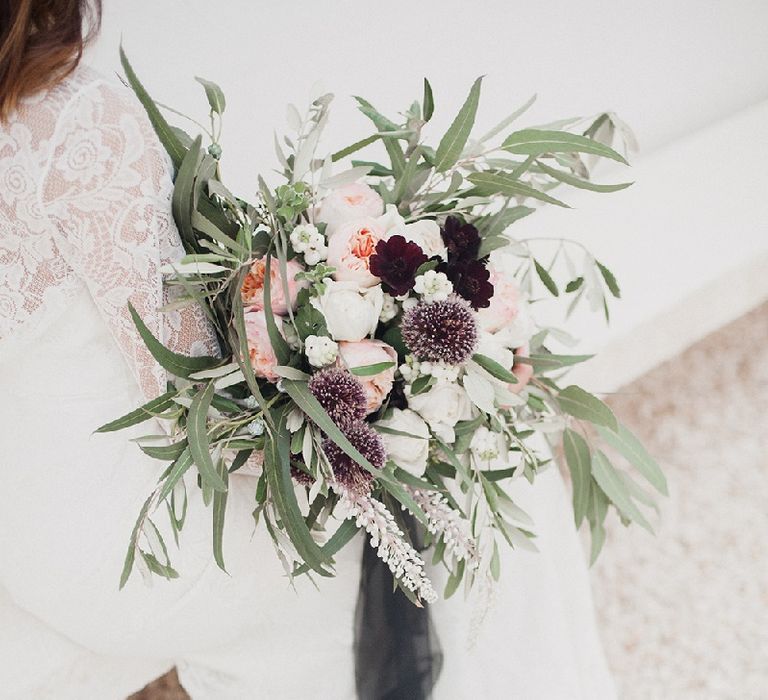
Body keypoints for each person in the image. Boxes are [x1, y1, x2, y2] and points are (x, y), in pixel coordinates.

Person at [0, 2, 616, 698]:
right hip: (130, 554)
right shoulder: (71, 120)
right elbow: (200, 392)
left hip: (28, 539)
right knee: (499, 453)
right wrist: (383, 400)